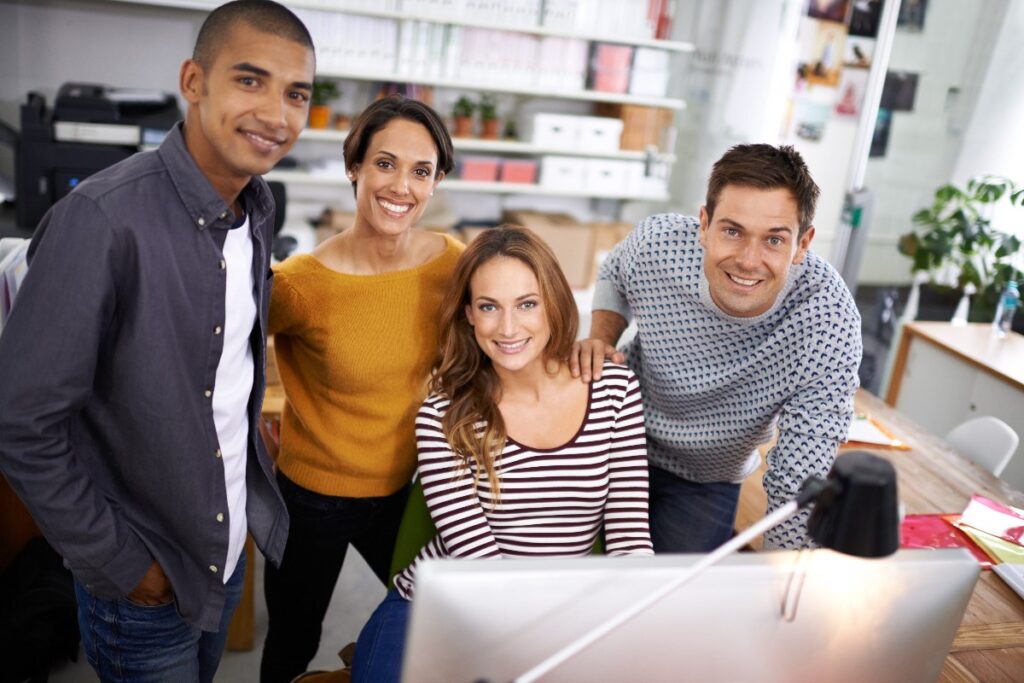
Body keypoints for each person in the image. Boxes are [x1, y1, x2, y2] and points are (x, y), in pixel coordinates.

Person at [0, 1, 314, 680]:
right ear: (193, 82)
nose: (277, 113)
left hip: (223, 547)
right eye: (250, 80)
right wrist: (121, 563)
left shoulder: (258, 210)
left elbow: (213, 368)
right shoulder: (101, 219)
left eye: (297, 93)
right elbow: (20, 422)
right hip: (146, 571)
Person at [352, 225, 654, 683]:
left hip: (559, 611)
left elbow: (629, 537)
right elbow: (481, 566)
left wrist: (644, 619)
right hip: (439, 603)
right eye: (489, 307)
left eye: (527, 304)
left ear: (553, 303)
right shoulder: (443, 415)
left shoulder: (613, 389)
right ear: (469, 315)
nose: (508, 328)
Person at [572, 144, 862, 552]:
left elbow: (800, 479)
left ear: (802, 244)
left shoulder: (827, 319)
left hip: (706, 480)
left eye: (774, 240)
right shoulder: (657, 245)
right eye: (732, 231)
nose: (748, 260)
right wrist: (602, 339)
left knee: (678, 593)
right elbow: (615, 272)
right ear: (704, 225)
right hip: (613, 442)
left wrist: (782, 580)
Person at [260, 94, 461, 683]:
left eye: (421, 171)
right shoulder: (300, 285)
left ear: (436, 183)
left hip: (407, 487)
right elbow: (218, 351)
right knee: (293, 641)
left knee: (439, 619)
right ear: (354, 167)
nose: (401, 186)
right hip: (313, 499)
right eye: (385, 164)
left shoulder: (451, 264)